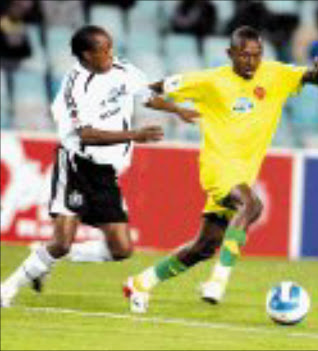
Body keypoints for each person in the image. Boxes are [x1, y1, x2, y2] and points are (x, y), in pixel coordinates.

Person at [123, 25, 318, 313]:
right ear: (230, 54)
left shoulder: (275, 74)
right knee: (252, 205)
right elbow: (149, 91)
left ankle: (141, 282)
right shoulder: (210, 81)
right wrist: (176, 109)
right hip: (217, 167)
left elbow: (311, 77)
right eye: (244, 56)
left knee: (204, 246)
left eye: (256, 55)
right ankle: (217, 281)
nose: (251, 62)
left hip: (243, 172)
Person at [0, 25, 197, 308]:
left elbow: (145, 95)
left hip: (106, 174)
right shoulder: (75, 86)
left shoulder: (122, 69)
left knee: (122, 249)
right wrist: (135, 135)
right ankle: (8, 287)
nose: (110, 54)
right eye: (103, 50)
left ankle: (44, 255)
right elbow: (87, 134)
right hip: (77, 166)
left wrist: (178, 110)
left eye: (110, 47)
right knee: (63, 240)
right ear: (86, 55)